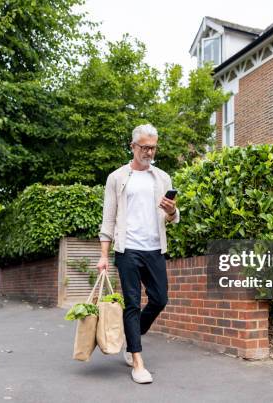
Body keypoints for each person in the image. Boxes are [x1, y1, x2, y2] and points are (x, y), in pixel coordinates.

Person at [96, 123, 179, 384]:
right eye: (144, 147)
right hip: (127, 249)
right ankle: (137, 360)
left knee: (160, 299)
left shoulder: (163, 177)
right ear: (133, 146)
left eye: (153, 147)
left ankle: (131, 337)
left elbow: (174, 217)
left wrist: (171, 211)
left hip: (154, 248)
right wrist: (103, 255)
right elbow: (108, 220)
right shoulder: (117, 177)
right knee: (132, 302)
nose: (149, 152)